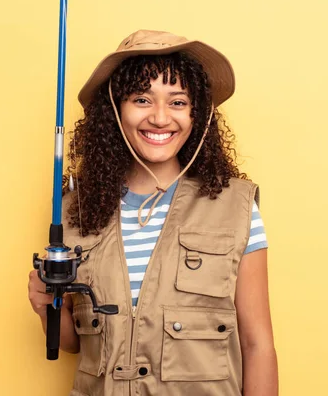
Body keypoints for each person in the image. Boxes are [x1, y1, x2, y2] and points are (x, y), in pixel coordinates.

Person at [28, 29, 278, 396]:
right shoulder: (76, 212)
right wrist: (43, 304)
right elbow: (74, 345)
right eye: (142, 99)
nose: (160, 118)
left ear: (198, 114)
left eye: (178, 102)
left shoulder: (235, 208)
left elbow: (258, 345)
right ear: (115, 109)